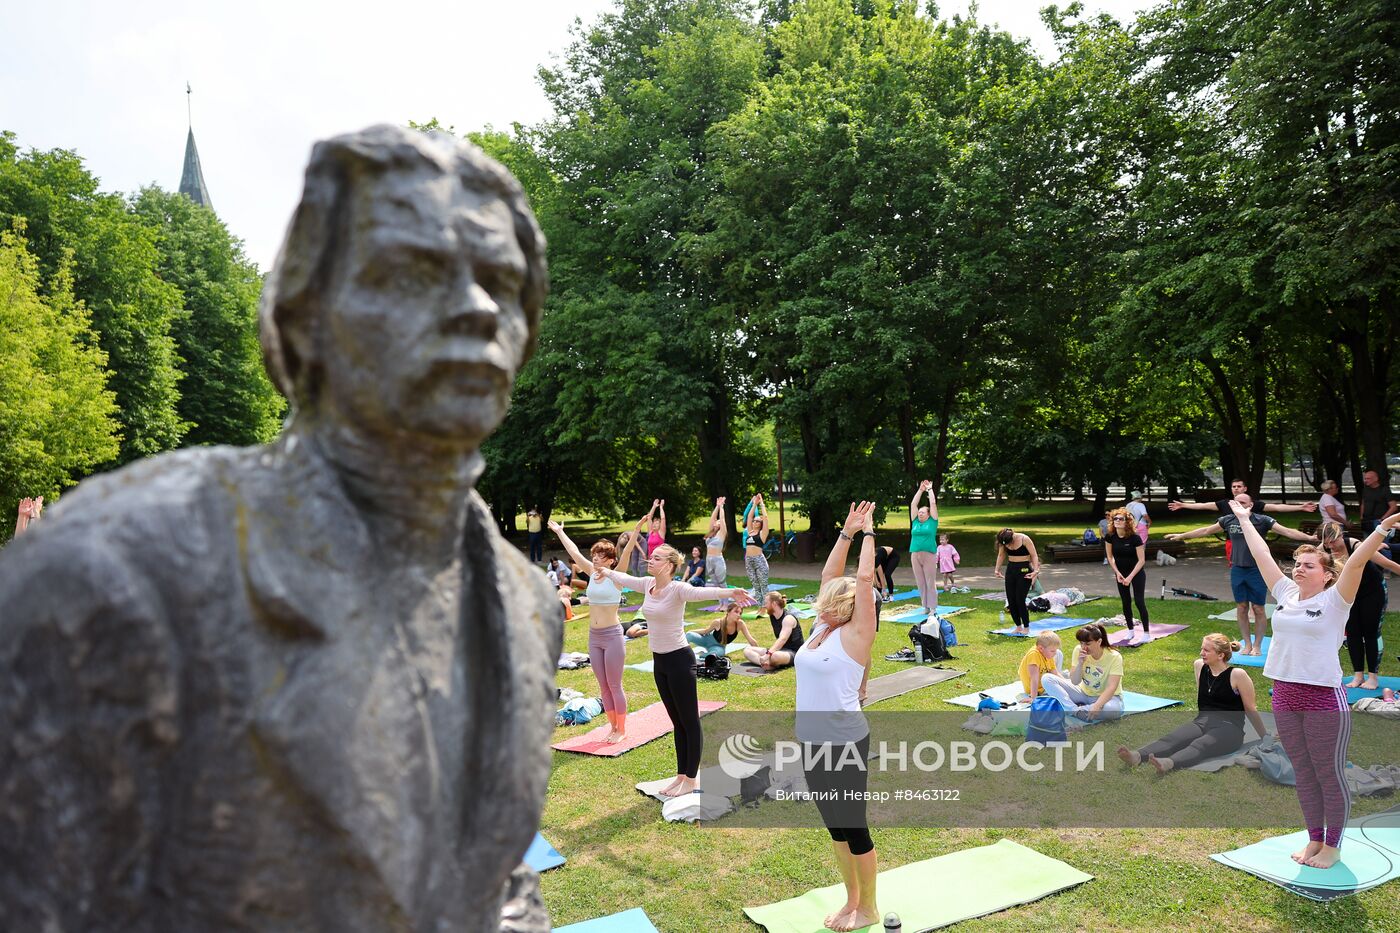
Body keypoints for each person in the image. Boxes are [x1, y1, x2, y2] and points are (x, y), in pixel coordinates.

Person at [0, 126, 560, 929]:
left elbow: (496, 874)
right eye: (413, 272)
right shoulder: (108, 572)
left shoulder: (528, 605)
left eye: (500, 281)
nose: (475, 308)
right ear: (305, 317)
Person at [1229, 501, 1400, 869]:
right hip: (1286, 694)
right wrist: (1244, 520)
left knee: (1328, 773)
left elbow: (1355, 563)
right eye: (1297, 565)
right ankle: (1314, 840)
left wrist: (1382, 529)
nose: (1299, 569)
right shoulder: (1288, 594)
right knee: (1303, 773)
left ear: (1325, 575)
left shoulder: (1336, 600)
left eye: (1308, 565)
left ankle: (1333, 846)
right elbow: (1262, 556)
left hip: (1323, 697)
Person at [602, 544, 753, 797]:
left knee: (690, 721)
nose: (651, 560)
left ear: (670, 565)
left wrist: (731, 591)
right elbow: (623, 577)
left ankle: (691, 779)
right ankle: (681, 775)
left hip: (680, 661)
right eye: (652, 557)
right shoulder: (648, 585)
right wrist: (603, 571)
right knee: (676, 722)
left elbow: (704, 592)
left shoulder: (678, 589)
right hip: (660, 663)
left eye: (657, 558)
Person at [796, 501, 879, 932]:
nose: (819, 604)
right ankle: (851, 900)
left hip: (844, 741)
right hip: (810, 740)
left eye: (828, 602)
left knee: (854, 825)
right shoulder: (819, 630)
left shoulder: (856, 634)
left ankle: (870, 908)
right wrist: (846, 531)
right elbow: (832, 574)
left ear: (846, 608)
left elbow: (862, 579)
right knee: (834, 828)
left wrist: (868, 534)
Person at [1168, 494, 1318, 655]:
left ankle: (1258, 645)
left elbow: (1287, 531)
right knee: (1241, 607)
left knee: (1259, 608)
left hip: (1257, 570)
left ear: (1251, 505)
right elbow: (1205, 530)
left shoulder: (1262, 520)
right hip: (1237, 569)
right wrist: (1181, 536)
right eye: (1236, 503)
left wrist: (1310, 538)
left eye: (1243, 503)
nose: (1239, 505)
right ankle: (1247, 644)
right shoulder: (1228, 520)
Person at [1117, 634, 1268, 773]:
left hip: (1230, 729)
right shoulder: (1199, 666)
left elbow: (1250, 708)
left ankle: (1169, 763)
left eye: (1206, 650)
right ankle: (1136, 756)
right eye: (1202, 648)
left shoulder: (1237, 675)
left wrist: (1264, 736)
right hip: (1202, 721)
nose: (1201, 653)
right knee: (1173, 739)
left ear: (1221, 655)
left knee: (1200, 744)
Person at [551, 521, 632, 742]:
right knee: (603, 686)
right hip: (594, 637)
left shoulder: (617, 576)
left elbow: (626, 554)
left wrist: (635, 533)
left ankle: (622, 730)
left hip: (613, 636)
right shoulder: (590, 572)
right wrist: (560, 532)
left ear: (610, 560)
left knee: (615, 685)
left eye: (599, 555)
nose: (594, 558)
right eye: (594, 554)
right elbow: (574, 552)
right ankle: (613, 726)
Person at [1318, 521, 1400, 690]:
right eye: (1327, 543)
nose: (1330, 546)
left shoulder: (1356, 545)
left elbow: (1388, 564)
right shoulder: (1324, 549)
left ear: (1341, 535)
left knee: (1371, 632)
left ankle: (1372, 677)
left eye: (1333, 542)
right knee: (1353, 633)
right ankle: (1358, 675)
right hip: (1348, 594)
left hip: (1372, 591)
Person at [1041, 623, 1124, 720]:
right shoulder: (1078, 650)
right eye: (1081, 643)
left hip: (1107, 698)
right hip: (1083, 692)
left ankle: (1082, 709)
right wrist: (1080, 663)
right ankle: (1074, 710)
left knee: (1111, 711)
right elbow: (1075, 681)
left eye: (1088, 644)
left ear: (1099, 641)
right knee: (1046, 678)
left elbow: (1111, 687)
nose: (1084, 647)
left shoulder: (1114, 657)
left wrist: (1097, 705)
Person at [1103, 507, 1151, 637]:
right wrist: (1117, 573)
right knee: (1125, 601)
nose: (1117, 521)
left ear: (1127, 521)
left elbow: (1141, 560)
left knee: (1139, 601)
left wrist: (1129, 577)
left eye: (1120, 519)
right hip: (1120, 574)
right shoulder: (1110, 537)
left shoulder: (1135, 538)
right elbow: (1110, 557)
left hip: (1136, 573)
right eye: (1115, 519)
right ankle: (1130, 631)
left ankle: (1146, 633)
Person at [1168, 478, 1317, 516]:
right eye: (1234, 487)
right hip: (1232, 541)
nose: (1236, 489)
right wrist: (1184, 505)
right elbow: (1204, 505)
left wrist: (1300, 507)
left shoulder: (1254, 504)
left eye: (1239, 486)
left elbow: (1277, 507)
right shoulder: (1225, 503)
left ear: (1245, 488)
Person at [993, 528, 1040, 636]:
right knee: (1011, 599)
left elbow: (1034, 555)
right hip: (1011, 569)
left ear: (1013, 537)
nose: (1008, 546)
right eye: (1006, 545)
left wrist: (1036, 571)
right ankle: (1018, 626)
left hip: (1024, 570)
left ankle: (1026, 627)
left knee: (1020, 599)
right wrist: (997, 569)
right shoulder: (1004, 540)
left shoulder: (1024, 539)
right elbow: (1001, 555)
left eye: (1009, 544)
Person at [743, 591, 806, 670]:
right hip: (780, 650)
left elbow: (782, 639)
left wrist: (768, 654)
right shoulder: (772, 616)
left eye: (766, 603)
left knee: (774, 656)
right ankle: (766, 664)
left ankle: (768, 661)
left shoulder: (788, 619)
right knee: (747, 650)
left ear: (774, 604)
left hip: (794, 653)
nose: (765, 606)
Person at [908, 480, 940, 614]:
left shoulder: (932, 522)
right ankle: (925, 607)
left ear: (928, 514)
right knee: (920, 582)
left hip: (929, 554)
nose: (920, 513)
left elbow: (932, 503)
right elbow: (913, 504)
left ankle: (932, 607)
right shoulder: (915, 521)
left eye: (922, 512)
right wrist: (920, 490)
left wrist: (929, 489)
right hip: (915, 554)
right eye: (919, 512)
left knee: (929, 581)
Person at [687, 603, 758, 658]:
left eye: (740, 613)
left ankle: (702, 655)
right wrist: (690, 631)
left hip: (718, 647)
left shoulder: (740, 624)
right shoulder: (718, 622)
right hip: (705, 640)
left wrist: (759, 652)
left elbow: (751, 640)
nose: (738, 615)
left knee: (717, 654)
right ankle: (680, 654)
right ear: (728, 612)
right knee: (689, 635)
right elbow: (706, 631)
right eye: (736, 612)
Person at [743, 493, 772, 601]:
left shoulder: (762, 534)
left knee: (763, 585)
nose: (755, 522)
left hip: (759, 560)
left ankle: (766, 605)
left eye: (758, 521)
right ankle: (761, 606)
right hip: (749, 560)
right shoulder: (750, 531)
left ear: (761, 524)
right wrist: (754, 504)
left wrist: (762, 503)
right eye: (754, 521)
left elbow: (765, 517)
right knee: (756, 586)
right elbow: (749, 516)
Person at [1018, 632, 1063, 699]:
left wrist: (1067, 684)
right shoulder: (1034, 654)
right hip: (1036, 691)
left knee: (1059, 653)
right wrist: (1033, 698)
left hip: (1044, 686)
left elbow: (1055, 673)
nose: (1055, 653)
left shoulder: (1047, 654)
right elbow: (1034, 679)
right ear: (1041, 648)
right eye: (1052, 651)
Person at [705, 497, 729, 601]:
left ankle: (725, 604)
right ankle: (721, 604)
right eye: (716, 521)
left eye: (718, 522)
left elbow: (722, 519)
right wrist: (717, 506)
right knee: (715, 584)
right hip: (709, 559)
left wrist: (721, 507)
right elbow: (712, 518)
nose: (716, 522)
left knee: (722, 583)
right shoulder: (711, 533)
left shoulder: (721, 534)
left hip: (718, 560)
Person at [1360, 469, 1397, 533]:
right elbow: (1363, 504)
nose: (1365, 480)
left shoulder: (1384, 490)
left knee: (1381, 542)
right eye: (1365, 478)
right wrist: (1361, 516)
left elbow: (1393, 507)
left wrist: (1382, 519)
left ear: (1376, 479)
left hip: (1379, 521)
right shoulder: (1365, 490)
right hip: (1366, 521)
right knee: (1367, 541)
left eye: (1368, 478)